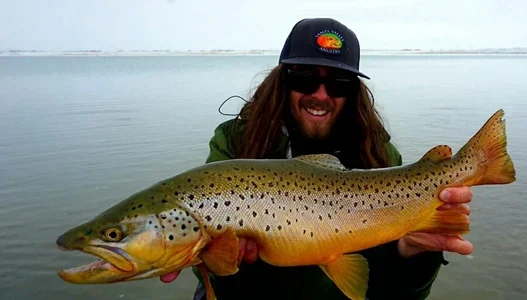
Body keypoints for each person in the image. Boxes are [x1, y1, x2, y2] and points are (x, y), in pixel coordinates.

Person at [160, 17, 474, 300]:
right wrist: (229, 266)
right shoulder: (233, 143)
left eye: (338, 82)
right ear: (282, 80)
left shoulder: (379, 155)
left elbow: (392, 295)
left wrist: (415, 255)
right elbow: (202, 264)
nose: (321, 95)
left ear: (354, 92)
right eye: (304, 78)